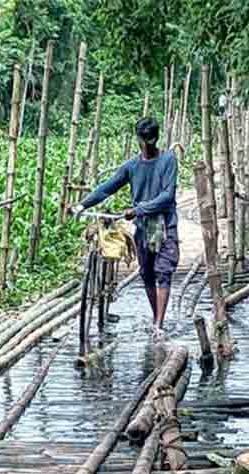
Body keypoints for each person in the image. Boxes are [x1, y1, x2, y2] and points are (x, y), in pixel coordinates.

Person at [73, 116, 179, 338]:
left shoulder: (168, 160)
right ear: (138, 139)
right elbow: (106, 188)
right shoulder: (132, 166)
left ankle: (158, 326)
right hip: (143, 228)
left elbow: (167, 196)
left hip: (164, 225)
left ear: (156, 138)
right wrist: (82, 205)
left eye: (151, 140)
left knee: (163, 272)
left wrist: (139, 209)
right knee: (147, 274)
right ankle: (156, 319)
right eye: (144, 141)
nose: (148, 145)